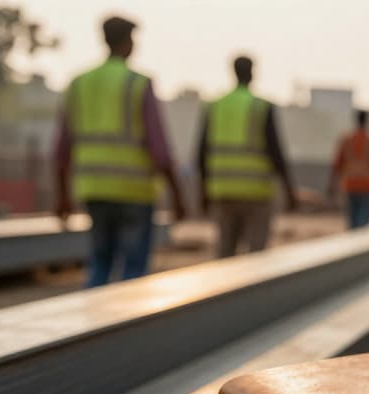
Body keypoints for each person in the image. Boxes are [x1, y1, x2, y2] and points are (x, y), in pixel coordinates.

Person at [54, 16, 185, 287]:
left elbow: (61, 149)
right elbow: (159, 149)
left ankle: (96, 323)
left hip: (94, 189)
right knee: (133, 270)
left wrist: (62, 196)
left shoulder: (79, 83)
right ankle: (128, 326)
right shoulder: (137, 84)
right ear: (127, 42)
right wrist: (177, 194)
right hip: (134, 192)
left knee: (100, 263)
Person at [198, 55, 297, 258]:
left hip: (223, 191)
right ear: (252, 73)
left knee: (225, 253)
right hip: (256, 192)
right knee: (256, 257)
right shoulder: (260, 107)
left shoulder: (216, 106)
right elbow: (275, 152)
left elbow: (201, 153)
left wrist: (203, 191)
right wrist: (289, 189)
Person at [329, 110, 369, 229]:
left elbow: (337, 164)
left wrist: (331, 184)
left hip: (351, 184)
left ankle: (353, 240)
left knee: (353, 219)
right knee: (364, 221)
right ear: (367, 121)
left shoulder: (346, 139)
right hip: (367, 185)